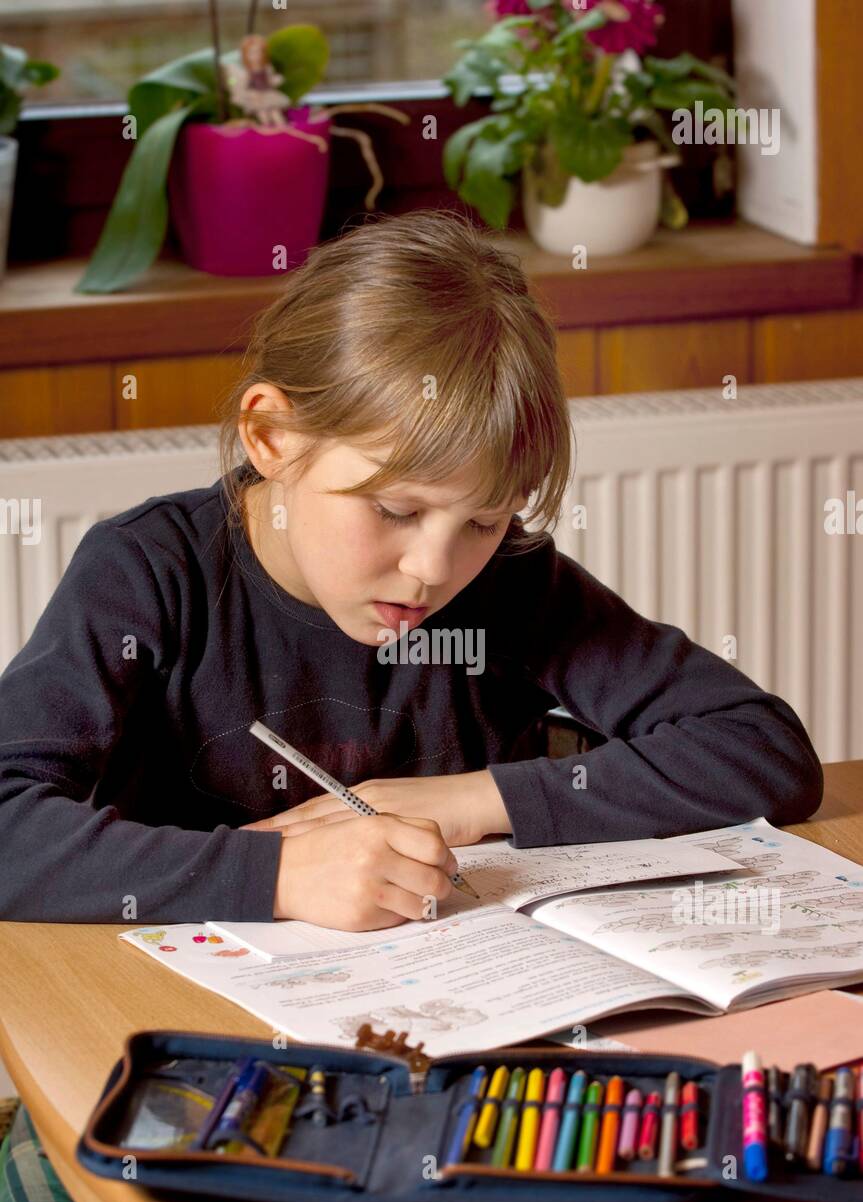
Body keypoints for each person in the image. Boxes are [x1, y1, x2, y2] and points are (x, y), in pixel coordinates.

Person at [0, 208, 822, 935]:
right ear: (272, 437)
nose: (432, 569)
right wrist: (280, 877)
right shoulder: (148, 571)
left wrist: (470, 802)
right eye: (394, 511)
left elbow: (762, 751)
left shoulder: (509, 581)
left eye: (482, 520)